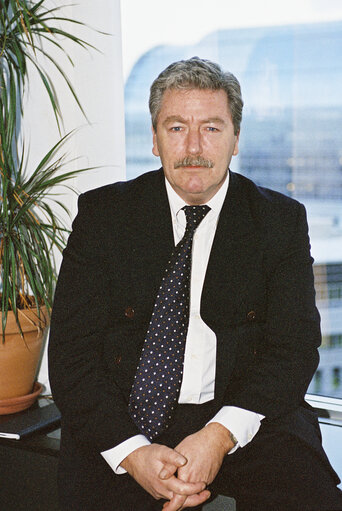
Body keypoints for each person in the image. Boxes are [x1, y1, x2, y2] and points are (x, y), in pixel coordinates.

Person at [48, 57, 342, 511]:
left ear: (236, 138)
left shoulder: (279, 222)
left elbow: (293, 349)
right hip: (125, 414)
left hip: (240, 410)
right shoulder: (104, 216)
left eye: (211, 128)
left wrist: (219, 436)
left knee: (309, 494)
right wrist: (133, 453)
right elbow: (72, 356)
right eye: (176, 127)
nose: (193, 147)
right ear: (153, 138)